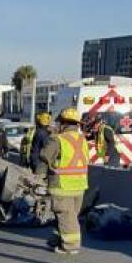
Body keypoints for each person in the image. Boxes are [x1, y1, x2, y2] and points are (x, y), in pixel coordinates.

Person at [39, 108, 91, 255]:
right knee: (68, 215)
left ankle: (70, 246)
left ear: (62, 123)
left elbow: (44, 155)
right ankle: (56, 240)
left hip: (63, 184)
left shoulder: (57, 139)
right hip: (80, 184)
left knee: (65, 215)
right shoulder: (82, 139)